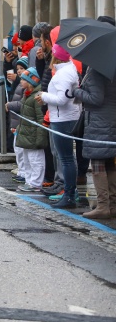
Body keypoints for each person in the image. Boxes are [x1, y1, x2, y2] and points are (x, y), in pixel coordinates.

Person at [72, 35, 116, 218]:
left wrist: (77, 91)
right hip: (110, 120)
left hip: (99, 122)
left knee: (98, 164)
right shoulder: (110, 66)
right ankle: (112, 205)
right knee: (110, 165)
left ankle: (103, 206)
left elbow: (96, 99)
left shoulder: (98, 70)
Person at [35, 43, 81, 209]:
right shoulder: (69, 69)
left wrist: (44, 96)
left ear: (56, 56)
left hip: (62, 118)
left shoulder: (63, 73)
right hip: (66, 116)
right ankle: (70, 193)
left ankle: (69, 195)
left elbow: (62, 100)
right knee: (68, 157)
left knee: (66, 158)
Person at [11, 67, 47, 193]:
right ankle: (29, 180)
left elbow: (40, 118)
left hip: (33, 134)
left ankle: (36, 183)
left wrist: (40, 136)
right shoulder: (27, 95)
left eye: (23, 79)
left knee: (35, 159)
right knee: (27, 159)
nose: (21, 81)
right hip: (26, 133)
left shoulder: (36, 97)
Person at [5, 57, 29, 183]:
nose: (19, 71)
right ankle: (21, 171)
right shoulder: (20, 83)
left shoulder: (25, 84)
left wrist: (10, 105)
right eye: (18, 69)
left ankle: (24, 173)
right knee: (17, 148)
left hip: (21, 121)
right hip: (16, 121)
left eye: (22, 68)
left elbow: (22, 103)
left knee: (21, 149)